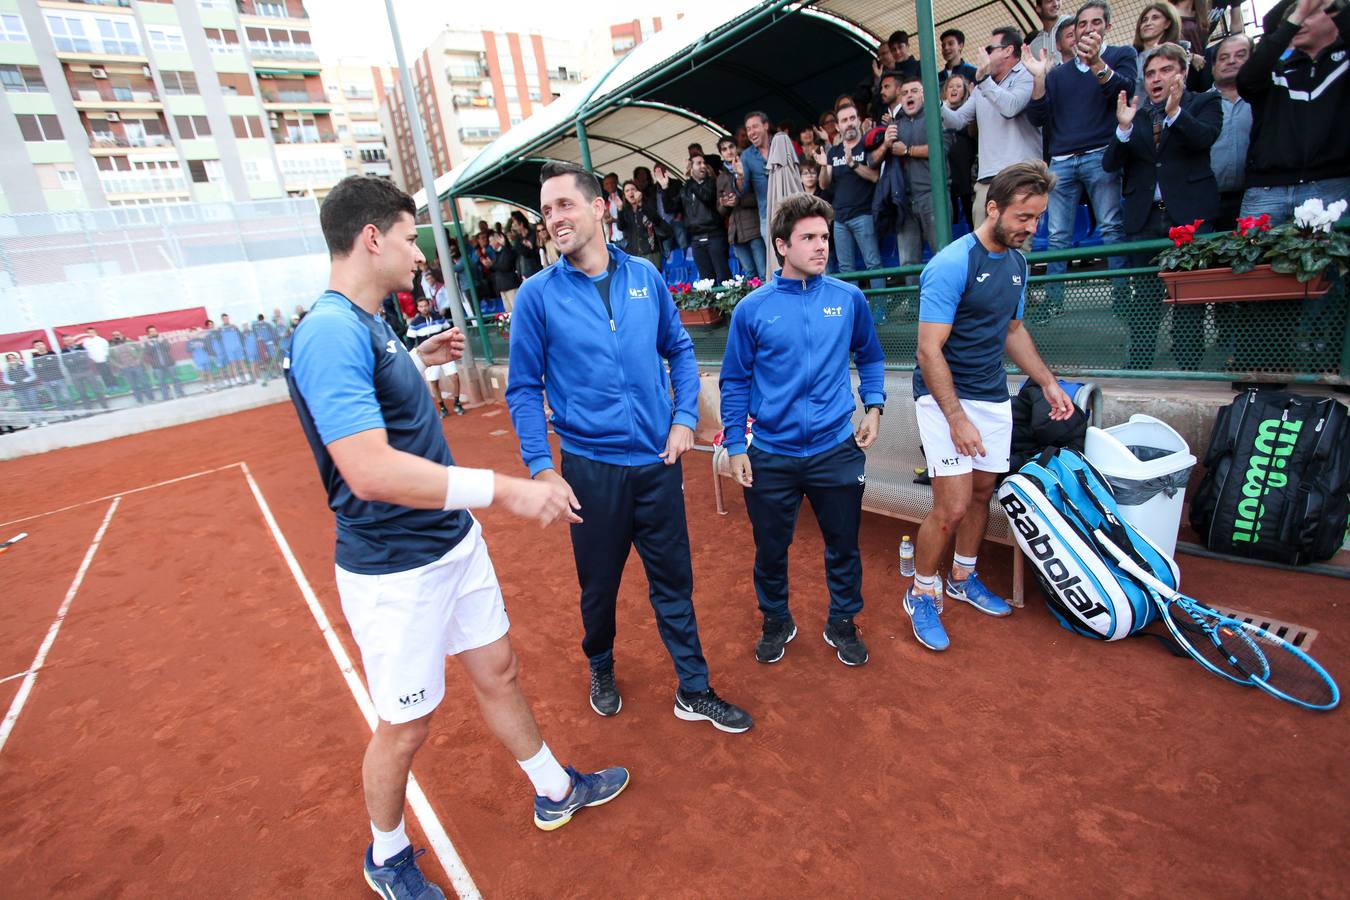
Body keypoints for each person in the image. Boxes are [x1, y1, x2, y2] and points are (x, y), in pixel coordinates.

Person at [286, 176, 630, 896]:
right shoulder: (329, 331)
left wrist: (416, 362)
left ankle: (553, 789)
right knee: (406, 727)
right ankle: (386, 857)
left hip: (450, 545)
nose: (420, 254)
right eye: (409, 238)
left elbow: (377, 399)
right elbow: (369, 470)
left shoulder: (368, 321)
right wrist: (504, 489)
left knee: (498, 669)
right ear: (372, 238)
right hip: (396, 570)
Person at [506, 160, 753, 733]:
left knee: (674, 583)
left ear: (598, 208)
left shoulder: (644, 275)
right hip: (590, 472)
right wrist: (541, 466)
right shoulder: (538, 296)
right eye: (546, 211)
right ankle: (601, 663)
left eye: (564, 205)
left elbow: (680, 350)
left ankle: (694, 688)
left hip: (657, 464)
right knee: (599, 588)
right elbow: (522, 389)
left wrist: (684, 418)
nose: (554, 218)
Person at [905, 161, 1073, 652]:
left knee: (982, 494)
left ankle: (962, 577)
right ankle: (921, 592)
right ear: (993, 208)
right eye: (1023, 217)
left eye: (1038, 217)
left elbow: (1012, 331)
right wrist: (956, 418)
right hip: (944, 397)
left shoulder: (1018, 264)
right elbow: (928, 351)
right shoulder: (952, 264)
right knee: (952, 506)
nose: (1032, 228)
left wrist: (1047, 382)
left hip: (992, 395)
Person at [719, 192, 885, 667]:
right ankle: (776, 619)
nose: (820, 246)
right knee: (771, 549)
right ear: (781, 246)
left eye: (824, 237)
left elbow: (870, 356)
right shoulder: (752, 309)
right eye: (808, 237)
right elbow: (734, 380)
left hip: (836, 449)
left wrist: (874, 407)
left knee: (843, 546)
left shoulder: (848, 299)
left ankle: (842, 621)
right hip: (771, 453)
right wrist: (736, 444)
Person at [1104, 42, 1221, 370]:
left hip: (1189, 217)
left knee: (1188, 295)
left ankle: (1188, 366)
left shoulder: (1205, 102)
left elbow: (1204, 137)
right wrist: (1123, 129)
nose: (1156, 78)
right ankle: (1138, 365)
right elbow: (1110, 163)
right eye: (1151, 73)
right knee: (1145, 296)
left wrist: (1174, 113)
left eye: (1166, 70)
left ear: (1182, 74)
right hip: (1144, 220)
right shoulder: (1136, 115)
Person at [1024, 1, 1137, 308]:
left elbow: (1124, 92)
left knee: (1111, 227)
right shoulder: (1058, 74)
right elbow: (1038, 117)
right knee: (1058, 235)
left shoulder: (1121, 55)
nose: (1088, 29)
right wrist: (1039, 79)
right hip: (1061, 160)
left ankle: (1121, 297)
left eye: (1096, 23)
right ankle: (1053, 302)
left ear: (1108, 27)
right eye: (1082, 24)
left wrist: (1096, 62)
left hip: (1102, 155)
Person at [1236, 0, 1350, 225]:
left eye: (1310, 14)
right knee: (1252, 249)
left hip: (1331, 185)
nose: (1301, 22)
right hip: (1266, 189)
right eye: (1298, 17)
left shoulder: (1344, 63)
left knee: (1327, 251)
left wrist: (1334, 6)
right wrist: (1296, 15)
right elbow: (1246, 81)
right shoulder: (1275, 68)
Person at [942, 28, 1042, 229]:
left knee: (1017, 241)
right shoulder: (983, 86)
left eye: (990, 49)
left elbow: (1010, 107)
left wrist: (984, 80)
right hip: (986, 179)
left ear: (1008, 50)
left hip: (1020, 175)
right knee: (983, 241)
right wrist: (937, 104)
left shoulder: (1027, 74)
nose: (985, 54)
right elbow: (958, 120)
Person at [876, 79, 950, 268]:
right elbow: (872, 160)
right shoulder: (895, 126)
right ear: (900, 99)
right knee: (908, 264)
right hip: (904, 202)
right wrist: (886, 142)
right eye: (905, 93)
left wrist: (908, 151)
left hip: (933, 197)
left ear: (923, 95)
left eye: (914, 91)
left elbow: (941, 149)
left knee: (943, 257)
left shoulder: (936, 117)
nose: (909, 95)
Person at [815, 100, 882, 278]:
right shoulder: (833, 152)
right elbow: (824, 184)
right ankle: (851, 299)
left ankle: (879, 299)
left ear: (859, 120)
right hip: (840, 219)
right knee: (846, 269)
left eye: (852, 118)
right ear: (838, 126)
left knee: (873, 265)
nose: (849, 123)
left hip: (864, 214)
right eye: (844, 120)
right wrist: (823, 167)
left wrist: (853, 163)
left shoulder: (867, 146)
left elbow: (875, 176)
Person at [659, 154, 731, 283]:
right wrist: (665, 188)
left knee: (723, 276)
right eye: (698, 163)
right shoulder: (686, 188)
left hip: (714, 235)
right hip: (696, 239)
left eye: (704, 163)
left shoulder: (712, 182)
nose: (703, 166)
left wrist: (689, 180)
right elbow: (670, 208)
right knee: (706, 280)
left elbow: (706, 197)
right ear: (691, 167)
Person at [1207, 33, 1252, 231]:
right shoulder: (1198, 104)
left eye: (1240, 55)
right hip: (1211, 199)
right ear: (1213, 67)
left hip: (1256, 195)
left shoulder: (1266, 98)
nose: (1231, 61)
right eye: (1223, 58)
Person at [716, 137, 766, 280]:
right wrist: (725, 204)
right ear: (721, 154)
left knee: (763, 273)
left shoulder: (749, 167)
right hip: (735, 233)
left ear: (737, 148)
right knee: (749, 276)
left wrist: (738, 200)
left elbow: (761, 196)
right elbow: (719, 210)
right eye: (724, 149)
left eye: (731, 147)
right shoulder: (721, 178)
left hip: (754, 227)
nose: (729, 151)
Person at [407, 295, 464, 417]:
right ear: (418, 308)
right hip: (427, 356)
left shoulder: (439, 318)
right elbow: (410, 341)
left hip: (444, 352)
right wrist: (414, 356)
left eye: (425, 305)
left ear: (429, 305)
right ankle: (442, 407)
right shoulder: (414, 323)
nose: (424, 308)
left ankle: (457, 402)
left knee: (454, 377)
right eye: (421, 306)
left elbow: (449, 330)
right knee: (433, 382)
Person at [942, 76, 979, 229]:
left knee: (971, 216)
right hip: (948, 172)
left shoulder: (969, 112)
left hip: (966, 173)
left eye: (958, 86)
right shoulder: (939, 111)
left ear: (965, 91)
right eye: (950, 86)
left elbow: (972, 132)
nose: (954, 89)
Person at [617, 178, 671, 271]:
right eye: (627, 191)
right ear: (624, 196)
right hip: (634, 253)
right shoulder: (625, 211)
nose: (630, 192)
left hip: (651, 251)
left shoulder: (647, 203)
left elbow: (655, 219)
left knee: (652, 276)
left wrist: (641, 204)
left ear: (638, 192)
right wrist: (620, 210)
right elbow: (620, 226)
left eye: (633, 189)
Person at [738, 111, 774, 250]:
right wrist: (739, 176)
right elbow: (743, 190)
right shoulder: (746, 156)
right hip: (767, 216)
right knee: (775, 258)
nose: (751, 132)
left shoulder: (781, 144)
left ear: (766, 126)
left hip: (791, 211)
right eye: (748, 129)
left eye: (755, 126)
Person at [1131, 2, 1183, 92]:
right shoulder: (1129, 54)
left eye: (1155, 18)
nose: (1148, 23)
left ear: (1167, 23)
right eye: (1144, 20)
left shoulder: (1177, 54)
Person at [61, 334, 107, 413]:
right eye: (66, 340)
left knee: (96, 390)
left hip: (87, 371)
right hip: (74, 374)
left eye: (69, 339)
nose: (68, 341)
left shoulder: (81, 347)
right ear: (64, 342)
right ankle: (88, 411)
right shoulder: (63, 351)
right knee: (82, 393)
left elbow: (86, 359)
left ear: (73, 339)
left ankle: (105, 408)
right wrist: (78, 359)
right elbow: (66, 363)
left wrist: (73, 360)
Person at [29, 339, 70, 420]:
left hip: (59, 378)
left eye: (41, 344)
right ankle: (65, 415)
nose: (40, 346)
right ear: (35, 347)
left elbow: (55, 365)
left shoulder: (52, 353)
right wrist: (45, 366)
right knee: (55, 399)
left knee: (66, 397)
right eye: (37, 345)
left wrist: (42, 365)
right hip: (46, 381)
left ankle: (73, 413)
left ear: (44, 345)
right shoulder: (35, 357)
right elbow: (37, 369)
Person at [142, 325, 184, 401]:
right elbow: (148, 353)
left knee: (175, 378)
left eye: (154, 331)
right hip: (157, 366)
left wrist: (160, 342)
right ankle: (166, 397)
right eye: (151, 331)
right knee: (161, 382)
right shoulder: (147, 343)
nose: (154, 332)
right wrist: (151, 345)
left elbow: (168, 348)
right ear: (148, 333)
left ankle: (181, 393)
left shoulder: (162, 339)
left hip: (169, 363)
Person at [109, 330, 151, 404]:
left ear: (121, 335)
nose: (116, 336)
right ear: (113, 337)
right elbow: (110, 358)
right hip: (125, 369)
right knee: (133, 385)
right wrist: (119, 366)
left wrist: (138, 360)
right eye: (114, 335)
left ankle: (151, 399)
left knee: (144, 382)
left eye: (117, 335)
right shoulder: (111, 346)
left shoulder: (129, 341)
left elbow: (141, 350)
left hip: (136, 366)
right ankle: (140, 401)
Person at [3, 352, 40, 424]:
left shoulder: (24, 365)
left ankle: (42, 421)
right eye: (10, 359)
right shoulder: (7, 369)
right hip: (18, 390)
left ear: (16, 358)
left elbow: (33, 375)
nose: (12, 359)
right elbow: (5, 380)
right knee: (26, 405)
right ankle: (32, 422)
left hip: (30, 388)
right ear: (7, 360)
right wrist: (13, 382)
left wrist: (25, 380)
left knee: (35, 403)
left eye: (13, 358)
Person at [489, 232, 521, 312]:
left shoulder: (507, 250)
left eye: (491, 241)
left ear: (497, 240)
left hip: (511, 286)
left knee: (517, 311)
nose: (490, 244)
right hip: (502, 287)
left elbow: (505, 266)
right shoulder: (496, 253)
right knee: (509, 313)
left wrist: (492, 265)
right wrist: (491, 265)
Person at [217, 313, 252, 385]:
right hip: (229, 350)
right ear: (222, 319)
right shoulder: (220, 329)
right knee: (233, 365)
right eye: (224, 319)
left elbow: (241, 336)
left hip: (238, 348)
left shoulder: (234, 327)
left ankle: (248, 379)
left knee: (242, 363)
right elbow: (218, 339)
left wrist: (242, 347)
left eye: (227, 318)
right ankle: (238, 381)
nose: (226, 319)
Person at [186, 325, 218, 392]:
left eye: (195, 332)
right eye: (192, 332)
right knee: (202, 374)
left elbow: (208, 347)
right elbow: (188, 350)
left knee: (209, 372)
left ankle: (213, 386)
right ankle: (206, 387)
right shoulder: (189, 342)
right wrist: (193, 346)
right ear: (190, 334)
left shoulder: (203, 340)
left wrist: (210, 354)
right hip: (198, 360)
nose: (194, 333)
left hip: (206, 358)